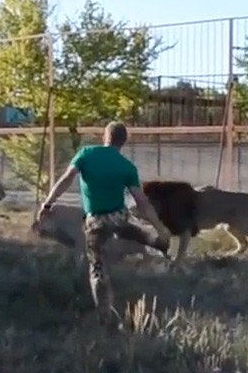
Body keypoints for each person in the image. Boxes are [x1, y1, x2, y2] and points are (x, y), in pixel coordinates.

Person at [36, 121, 171, 326]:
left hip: (95, 221)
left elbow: (66, 179)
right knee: (128, 229)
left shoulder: (86, 154)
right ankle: (154, 240)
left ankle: (104, 314)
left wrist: (47, 204)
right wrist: (160, 228)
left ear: (105, 136)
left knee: (97, 268)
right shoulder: (127, 167)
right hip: (118, 216)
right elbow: (142, 202)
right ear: (124, 142)